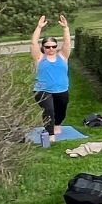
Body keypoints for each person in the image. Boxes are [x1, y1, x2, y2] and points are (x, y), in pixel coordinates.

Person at [30, 14, 72, 144]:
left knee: (61, 111)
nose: (51, 49)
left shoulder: (63, 56)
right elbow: (33, 43)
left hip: (62, 89)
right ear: (43, 47)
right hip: (42, 90)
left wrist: (65, 28)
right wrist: (39, 27)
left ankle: (57, 125)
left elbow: (67, 43)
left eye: (53, 46)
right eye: (48, 47)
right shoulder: (39, 58)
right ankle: (50, 134)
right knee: (49, 110)